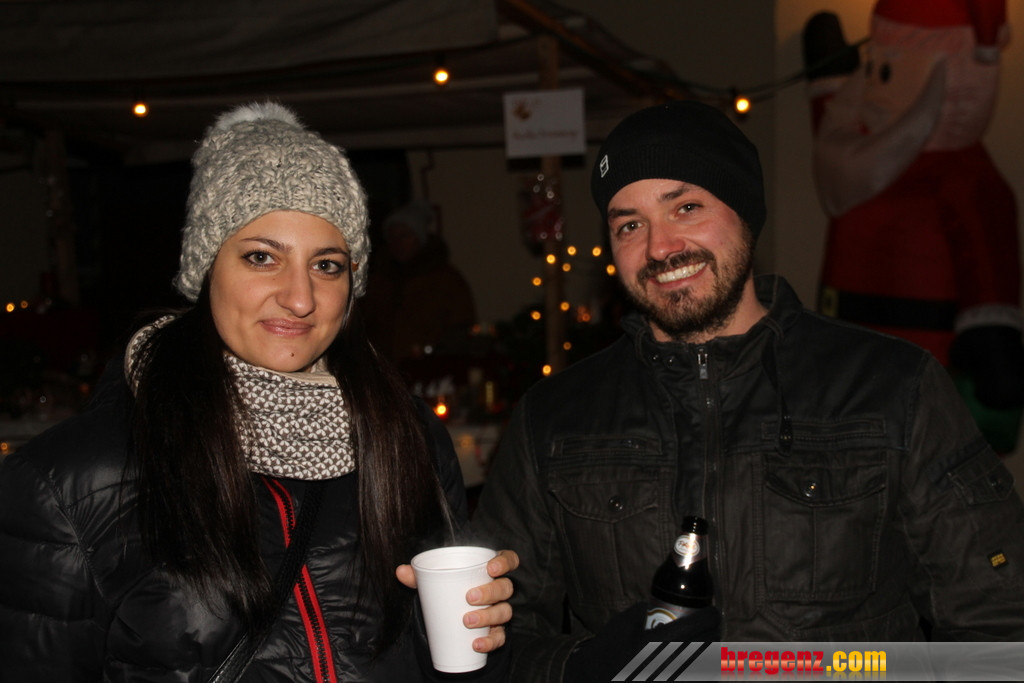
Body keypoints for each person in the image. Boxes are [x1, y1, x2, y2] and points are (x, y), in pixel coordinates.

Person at [472, 100, 1024, 681]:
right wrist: (579, 667)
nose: (659, 247)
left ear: (745, 213)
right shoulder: (554, 418)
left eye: (686, 207)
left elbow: (1000, 620)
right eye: (629, 224)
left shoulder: (891, 387)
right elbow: (490, 641)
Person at [0, 102, 517, 682]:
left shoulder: (407, 437)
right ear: (207, 269)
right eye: (262, 257)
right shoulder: (70, 480)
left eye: (327, 265)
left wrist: (480, 635)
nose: (300, 298)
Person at [363, 200, 477, 362]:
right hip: (385, 369)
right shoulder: (378, 282)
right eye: (392, 236)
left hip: (431, 368)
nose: (397, 243)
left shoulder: (447, 280)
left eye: (404, 236)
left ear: (420, 237)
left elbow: (460, 329)